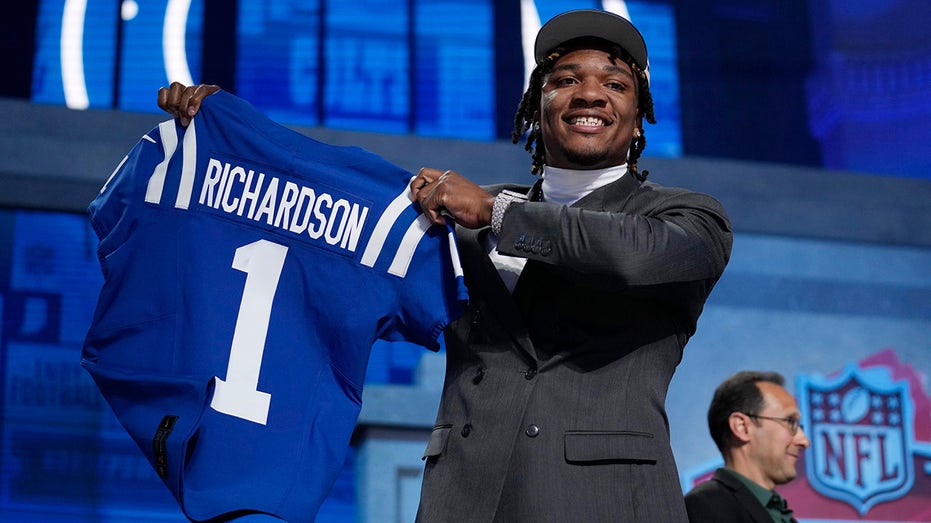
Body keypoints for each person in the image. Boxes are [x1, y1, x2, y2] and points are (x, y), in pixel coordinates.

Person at [158, 9, 732, 522]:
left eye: (615, 84)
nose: (589, 94)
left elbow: (628, 253)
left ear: (638, 118)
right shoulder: (456, 215)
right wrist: (218, 141)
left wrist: (496, 211)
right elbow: (326, 237)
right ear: (537, 107)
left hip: (604, 502)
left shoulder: (686, 218)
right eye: (565, 81)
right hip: (463, 499)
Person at [684, 371, 811, 523]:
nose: (804, 441)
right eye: (791, 422)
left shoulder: (782, 514)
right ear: (742, 427)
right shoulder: (704, 507)